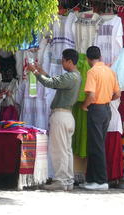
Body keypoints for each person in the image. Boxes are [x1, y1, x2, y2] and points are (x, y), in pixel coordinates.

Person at [28, 49, 82, 191]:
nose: (62, 63)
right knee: (66, 150)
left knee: (59, 150)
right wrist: (43, 72)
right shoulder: (76, 77)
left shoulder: (71, 77)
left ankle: (61, 180)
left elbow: (50, 83)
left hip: (61, 116)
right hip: (67, 116)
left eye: (63, 60)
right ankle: (67, 180)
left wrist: (35, 72)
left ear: (70, 61)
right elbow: (55, 82)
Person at [81, 46, 120, 191]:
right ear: (100, 56)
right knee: (96, 144)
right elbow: (118, 94)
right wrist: (107, 98)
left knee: (96, 146)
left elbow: (90, 95)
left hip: (96, 109)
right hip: (106, 109)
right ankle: (91, 179)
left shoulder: (92, 72)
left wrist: (84, 106)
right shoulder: (110, 71)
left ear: (88, 58)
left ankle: (101, 180)